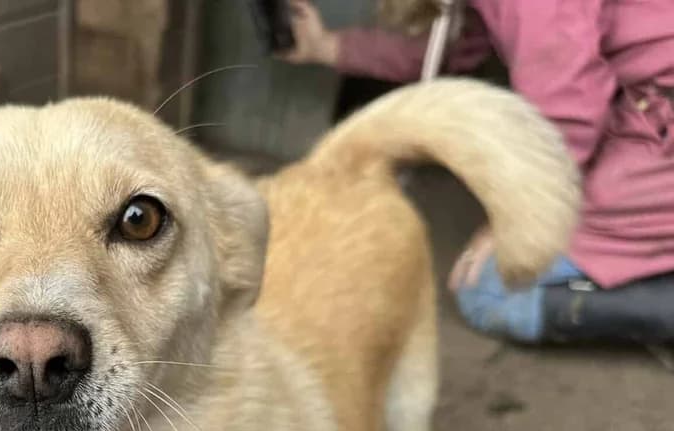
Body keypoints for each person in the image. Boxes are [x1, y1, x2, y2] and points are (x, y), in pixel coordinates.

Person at [280, 0, 674, 344]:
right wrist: (327, 46)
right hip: (643, 109)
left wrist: (515, 216)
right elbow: (447, 50)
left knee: (489, 290)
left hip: (655, 125)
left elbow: (569, 107)